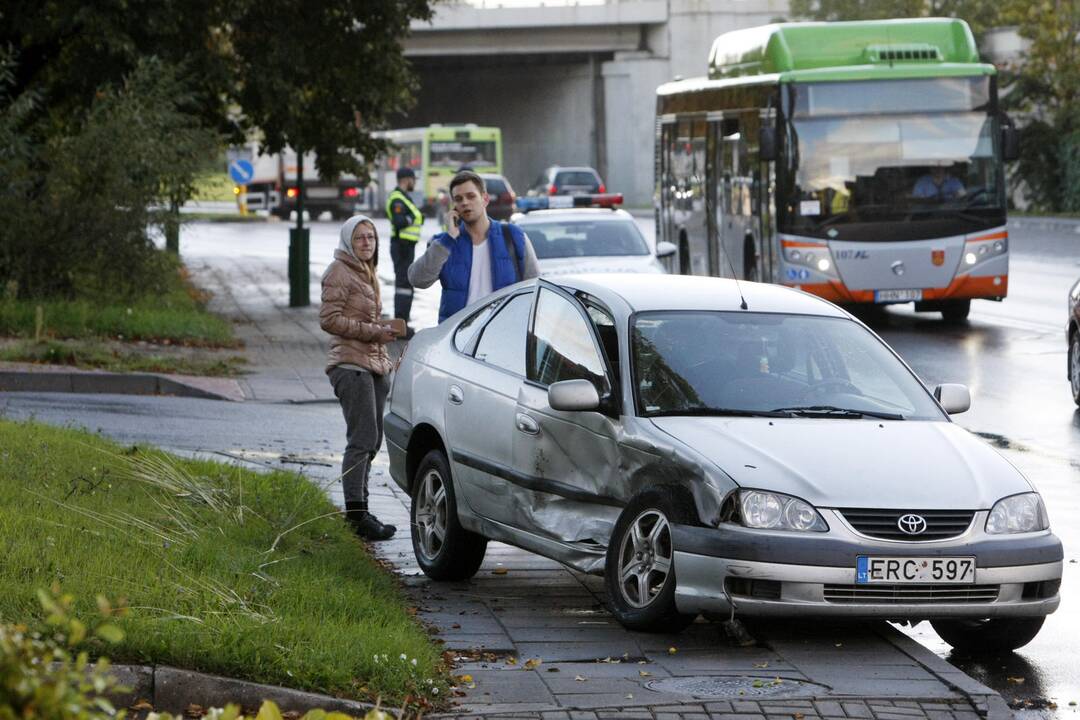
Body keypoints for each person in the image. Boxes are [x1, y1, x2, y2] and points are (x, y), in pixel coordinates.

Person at [320, 215, 399, 541]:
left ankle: (362, 510)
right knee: (362, 440)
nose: (367, 243)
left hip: (372, 364)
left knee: (373, 441)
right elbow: (329, 319)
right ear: (347, 242)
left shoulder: (366, 273)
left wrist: (385, 344)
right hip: (350, 365)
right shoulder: (338, 272)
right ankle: (356, 515)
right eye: (360, 238)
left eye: (371, 237)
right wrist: (375, 332)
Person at [408, 170, 540, 323]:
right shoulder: (443, 244)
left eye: (471, 196)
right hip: (456, 338)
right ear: (454, 206)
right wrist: (448, 239)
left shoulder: (512, 236)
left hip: (504, 332)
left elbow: (534, 285)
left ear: (485, 199)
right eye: (458, 199)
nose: (464, 202)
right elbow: (417, 280)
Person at [386, 167, 424, 334]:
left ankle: (403, 324)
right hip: (402, 246)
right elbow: (399, 221)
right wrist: (413, 218)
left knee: (406, 284)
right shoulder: (398, 199)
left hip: (407, 246)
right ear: (406, 179)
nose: (414, 182)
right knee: (403, 285)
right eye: (413, 179)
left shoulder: (404, 198)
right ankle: (399, 327)